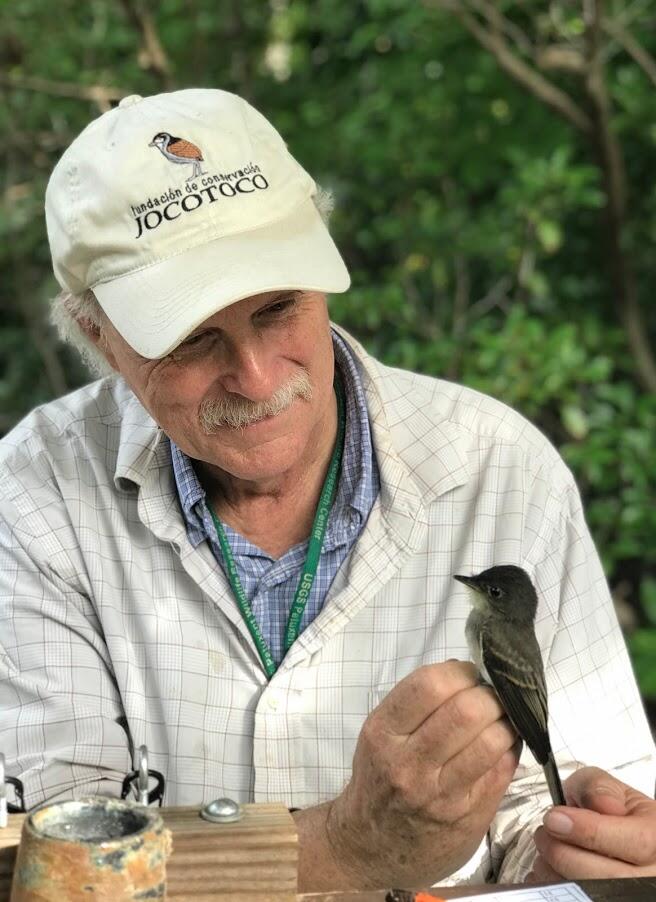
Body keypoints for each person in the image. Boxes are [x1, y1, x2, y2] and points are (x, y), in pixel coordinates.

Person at [1, 87, 655, 892]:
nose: (257, 376)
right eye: (191, 338)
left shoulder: (501, 469)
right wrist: (346, 846)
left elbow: (565, 802)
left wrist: (579, 844)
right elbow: (58, 866)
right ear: (96, 334)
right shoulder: (34, 497)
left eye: (279, 307)